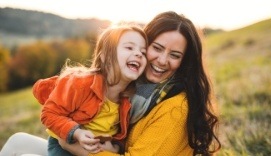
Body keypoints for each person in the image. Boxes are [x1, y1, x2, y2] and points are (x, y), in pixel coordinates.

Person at [0, 11, 221, 156]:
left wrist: (73, 142)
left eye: (174, 55)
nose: (162, 60)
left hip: (84, 150)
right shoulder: (137, 90)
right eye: (157, 48)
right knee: (18, 140)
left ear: (184, 62)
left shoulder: (175, 106)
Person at [0, 25, 147, 156]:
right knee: (18, 143)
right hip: (64, 146)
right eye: (129, 47)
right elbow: (49, 114)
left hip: (93, 152)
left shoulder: (129, 100)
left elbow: (119, 136)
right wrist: (77, 133)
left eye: (143, 52)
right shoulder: (81, 83)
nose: (139, 54)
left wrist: (116, 147)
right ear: (105, 56)